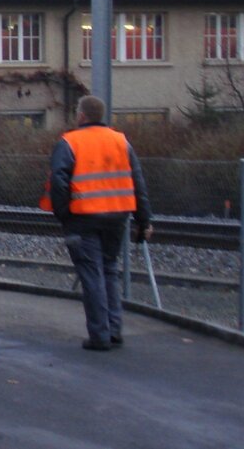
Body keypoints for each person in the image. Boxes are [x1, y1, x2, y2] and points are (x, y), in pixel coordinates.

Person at [49, 94, 152, 351]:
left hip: (82, 218)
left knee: (91, 276)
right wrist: (143, 220)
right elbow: (138, 183)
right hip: (118, 217)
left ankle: (99, 335)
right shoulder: (121, 141)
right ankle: (114, 330)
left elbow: (58, 181)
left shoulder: (69, 142)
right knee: (109, 270)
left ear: (82, 116)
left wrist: (64, 214)